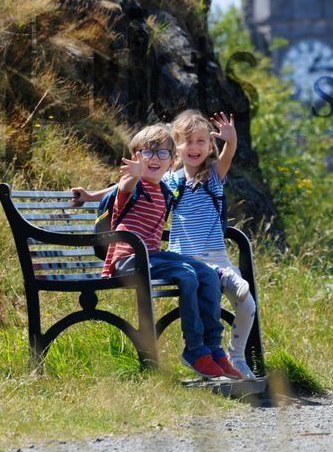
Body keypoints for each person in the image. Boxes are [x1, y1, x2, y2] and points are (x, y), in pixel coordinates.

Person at [94, 124, 241, 381]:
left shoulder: (165, 190)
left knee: (207, 274)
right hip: (128, 260)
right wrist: (133, 175)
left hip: (152, 256)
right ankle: (194, 350)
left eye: (162, 154)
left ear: (172, 161)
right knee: (186, 274)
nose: (154, 159)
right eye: (146, 153)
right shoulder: (134, 185)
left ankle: (213, 348)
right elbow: (124, 187)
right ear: (135, 157)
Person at [165, 109, 259, 379]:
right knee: (219, 284)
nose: (194, 148)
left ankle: (237, 356)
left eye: (201, 141)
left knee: (247, 305)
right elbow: (131, 186)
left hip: (217, 255)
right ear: (176, 146)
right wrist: (92, 195)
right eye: (187, 142)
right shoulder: (170, 182)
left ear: (209, 147)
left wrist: (231, 140)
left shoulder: (213, 175)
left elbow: (228, 155)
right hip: (188, 260)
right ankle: (226, 278)